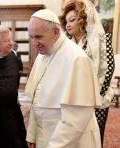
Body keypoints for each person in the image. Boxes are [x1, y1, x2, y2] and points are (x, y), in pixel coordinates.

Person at [25, 9, 101, 148]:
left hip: (70, 141)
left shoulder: (77, 59)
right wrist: (32, 134)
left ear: (55, 32)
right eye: (31, 37)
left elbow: (76, 119)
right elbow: (36, 102)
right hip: (46, 136)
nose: (34, 43)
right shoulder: (42, 55)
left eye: (38, 37)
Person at [60, 0, 115, 144]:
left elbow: (108, 70)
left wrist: (92, 100)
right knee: (74, 139)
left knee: (93, 138)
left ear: (83, 20)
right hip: (72, 100)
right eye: (66, 21)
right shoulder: (67, 44)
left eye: (72, 20)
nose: (68, 24)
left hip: (96, 101)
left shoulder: (103, 40)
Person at [0, 25, 27, 148]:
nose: (10, 43)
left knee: (16, 141)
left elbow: (15, 82)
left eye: (10, 40)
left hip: (12, 110)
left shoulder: (14, 58)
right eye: (6, 41)